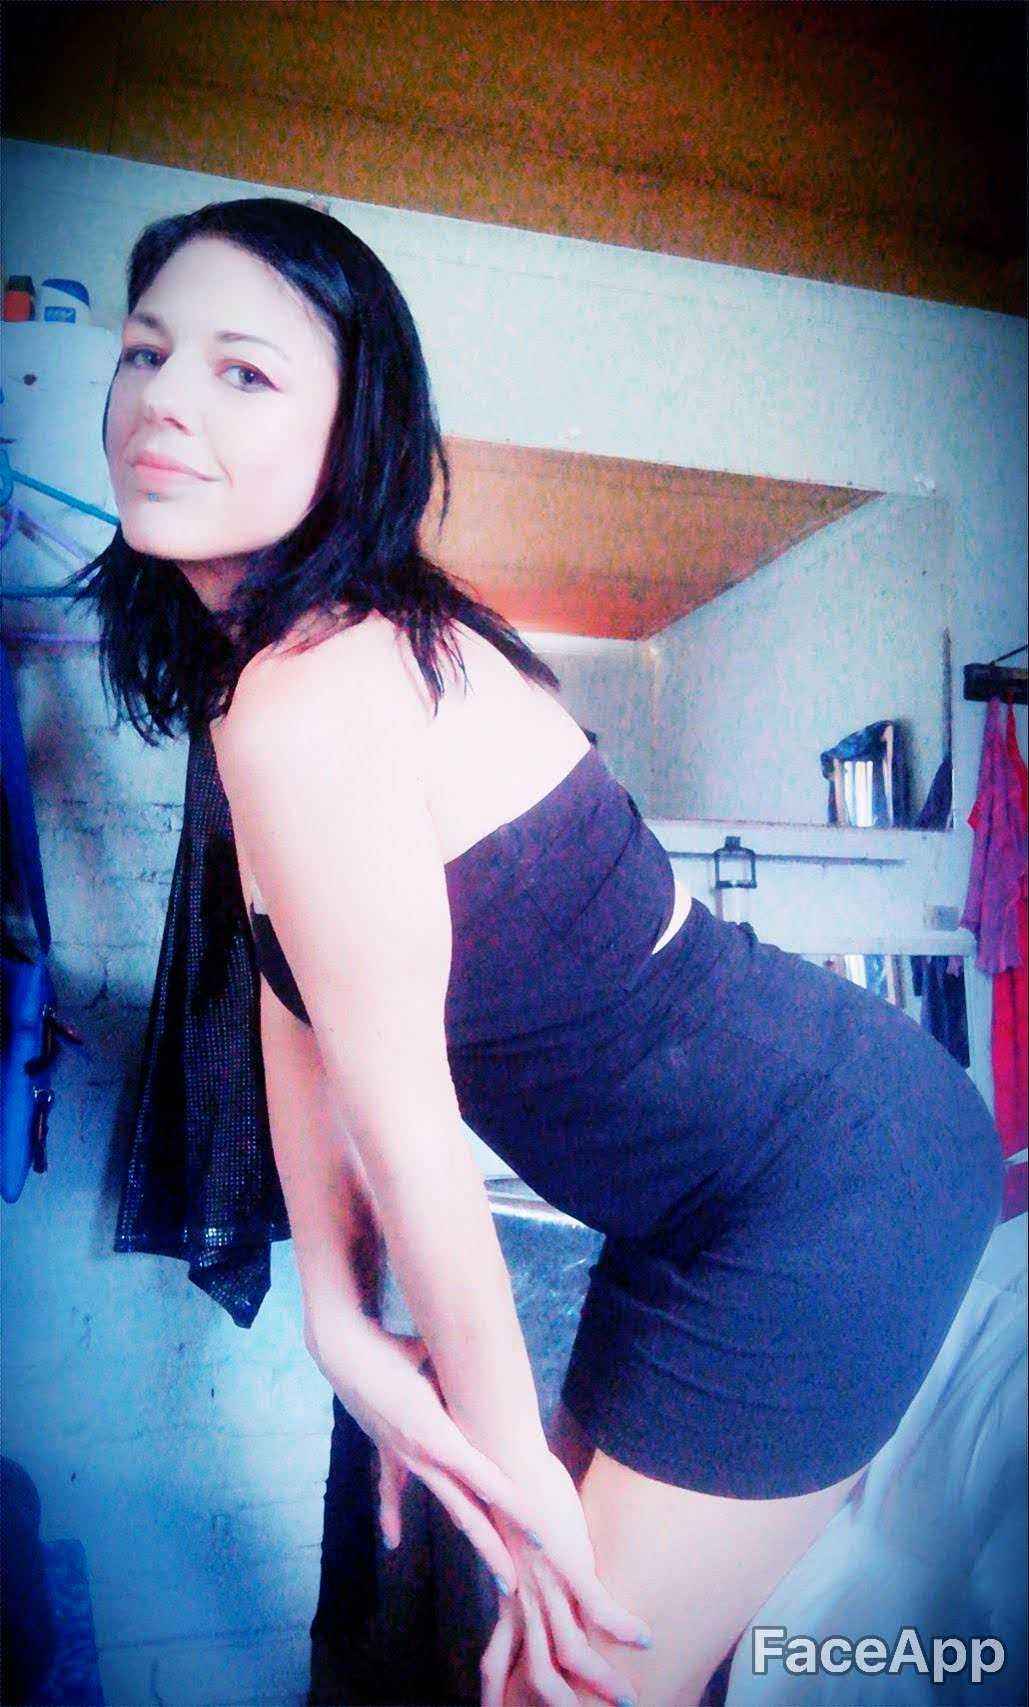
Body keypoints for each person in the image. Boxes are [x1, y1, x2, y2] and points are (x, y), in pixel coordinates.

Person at [73, 197, 1003, 1707]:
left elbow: (413, 1133)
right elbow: (298, 1020)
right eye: (145, 352)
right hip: (692, 1208)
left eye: (244, 371)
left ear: (353, 435)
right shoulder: (263, 689)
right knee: (555, 1658)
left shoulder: (321, 692)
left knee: (561, 1677)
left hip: (834, 1178)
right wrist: (344, 1331)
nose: (165, 400)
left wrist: (513, 1496)